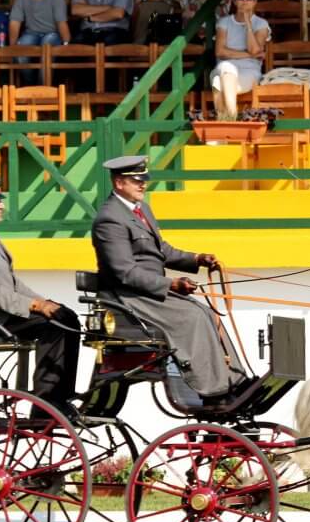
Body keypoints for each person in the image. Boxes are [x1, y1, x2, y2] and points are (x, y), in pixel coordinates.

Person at [91, 156, 246, 399]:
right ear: (119, 183)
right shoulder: (110, 219)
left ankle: (233, 378)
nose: (143, 185)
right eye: (136, 181)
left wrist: (196, 259)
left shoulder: (141, 209)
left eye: (143, 180)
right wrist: (170, 283)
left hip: (148, 292)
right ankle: (211, 388)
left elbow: (161, 250)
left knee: (207, 312)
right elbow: (125, 272)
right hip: (127, 298)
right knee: (193, 316)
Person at [0, 178, 81, 410]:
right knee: (53, 326)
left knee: (67, 317)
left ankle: (61, 395)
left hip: (5, 313)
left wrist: (44, 301)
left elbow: (11, 283)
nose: (1, 205)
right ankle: (46, 402)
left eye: (0, 200)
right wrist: (36, 307)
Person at [209, 0, 271, 120]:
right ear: (235, 1)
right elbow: (220, 52)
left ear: (255, 2)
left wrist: (248, 24)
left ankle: (223, 126)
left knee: (217, 82)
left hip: (249, 72)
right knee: (226, 67)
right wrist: (249, 55)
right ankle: (232, 116)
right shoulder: (224, 22)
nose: (244, 1)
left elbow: (254, 50)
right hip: (223, 69)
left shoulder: (261, 23)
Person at [8, 0, 70, 85]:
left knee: (46, 47)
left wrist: (66, 43)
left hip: (52, 33)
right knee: (20, 53)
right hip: (31, 33)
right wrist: (13, 46)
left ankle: (44, 89)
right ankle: (31, 87)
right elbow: (15, 22)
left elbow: (61, 22)